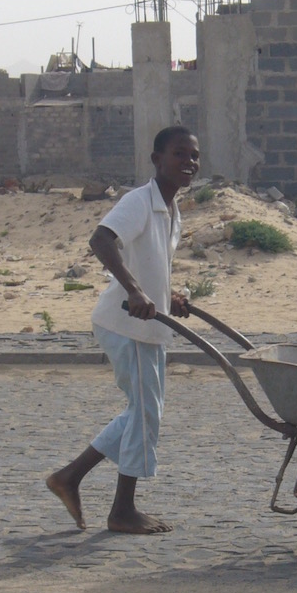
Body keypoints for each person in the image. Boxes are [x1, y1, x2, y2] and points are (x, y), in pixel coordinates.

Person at [45, 125, 199, 535]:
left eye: (194, 156)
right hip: (126, 324)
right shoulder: (139, 202)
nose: (189, 163)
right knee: (146, 414)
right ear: (157, 160)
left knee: (140, 412)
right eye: (179, 154)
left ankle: (69, 477)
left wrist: (167, 296)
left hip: (147, 326)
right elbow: (101, 240)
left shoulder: (171, 211)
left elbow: (149, 263)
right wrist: (134, 291)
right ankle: (122, 511)